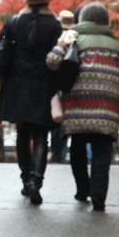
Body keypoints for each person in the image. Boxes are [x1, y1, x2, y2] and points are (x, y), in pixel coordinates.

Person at [46, 1, 119, 212]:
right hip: (107, 107)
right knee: (102, 150)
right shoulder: (115, 45)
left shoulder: (74, 38)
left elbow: (52, 61)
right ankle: (98, 194)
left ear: (82, 20)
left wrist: (63, 42)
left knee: (77, 147)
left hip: (78, 104)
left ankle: (82, 189)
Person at [0, 0, 62, 204]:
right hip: (44, 85)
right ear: (48, 0)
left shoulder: (15, 22)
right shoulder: (55, 26)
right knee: (41, 135)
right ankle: (36, 181)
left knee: (22, 134)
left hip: (17, 85)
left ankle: (25, 180)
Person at [50, 10, 75, 164]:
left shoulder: (55, 36)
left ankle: (56, 154)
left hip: (54, 81)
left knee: (56, 117)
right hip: (71, 81)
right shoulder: (76, 36)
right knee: (67, 118)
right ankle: (63, 152)